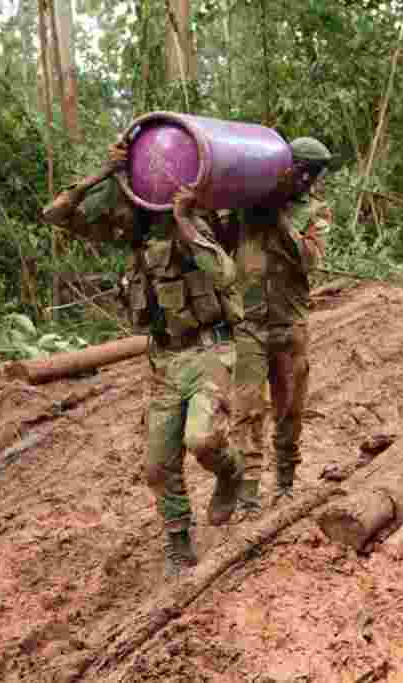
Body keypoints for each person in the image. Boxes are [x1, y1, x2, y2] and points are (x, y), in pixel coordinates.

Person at [41, 141, 246, 578]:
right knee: (157, 465)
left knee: (203, 441)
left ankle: (231, 472)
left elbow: (226, 275)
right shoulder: (132, 229)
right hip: (164, 360)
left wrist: (186, 220)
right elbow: (55, 215)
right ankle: (178, 544)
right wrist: (102, 171)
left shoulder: (199, 220)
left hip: (210, 348)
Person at [227, 137, 333, 518]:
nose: (308, 181)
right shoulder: (248, 205)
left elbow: (310, 261)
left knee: (290, 409)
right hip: (249, 325)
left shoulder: (316, 211)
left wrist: (280, 220)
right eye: (304, 172)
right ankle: (249, 492)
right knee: (247, 409)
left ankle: (285, 483)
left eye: (311, 175)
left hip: (290, 325)